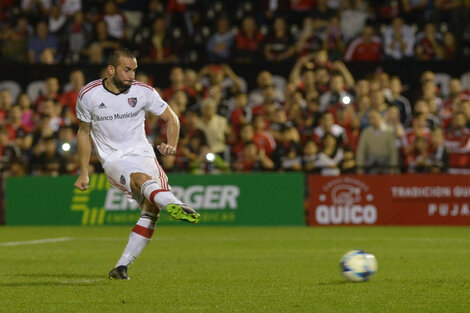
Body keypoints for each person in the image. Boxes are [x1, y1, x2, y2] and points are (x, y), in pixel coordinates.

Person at [73, 48, 200, 280]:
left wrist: (172, 144)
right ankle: (175, 203)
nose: (132, 75)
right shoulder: (88, 94)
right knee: (141, 181)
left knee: (151, 209)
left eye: (134, 70)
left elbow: (172, 118)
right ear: (111, 70)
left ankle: (120, 267)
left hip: (144, 155)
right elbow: (83, 132)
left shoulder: (144, 92)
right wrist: (84, 172)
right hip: (114, 159)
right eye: (127, 70)